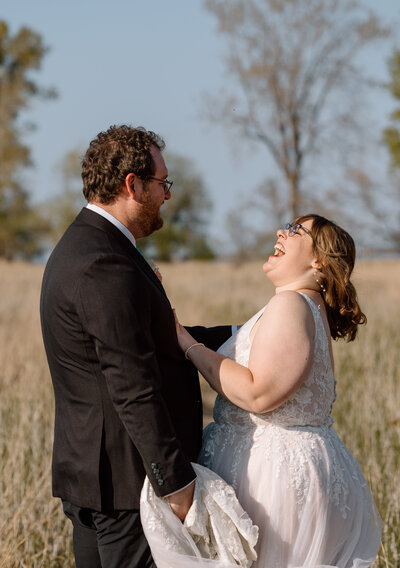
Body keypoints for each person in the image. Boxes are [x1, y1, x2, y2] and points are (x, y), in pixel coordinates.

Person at [40, 125, 232, 568]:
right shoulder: (103, 263)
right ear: (133, 185)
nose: (167, 194)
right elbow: (132, 385)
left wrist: (253, 331)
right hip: (130, 489)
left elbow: (152, 341)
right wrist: (176, 484)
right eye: (163, 183)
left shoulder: (89, 246)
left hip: (102, 479)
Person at [174, 214, 382, 568]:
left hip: (275, 479)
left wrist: (184, 341)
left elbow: (259, 394)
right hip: (299, 466)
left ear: (318, 260)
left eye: (295, 230)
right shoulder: (307, 307)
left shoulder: (292, 304)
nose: (280, 232)